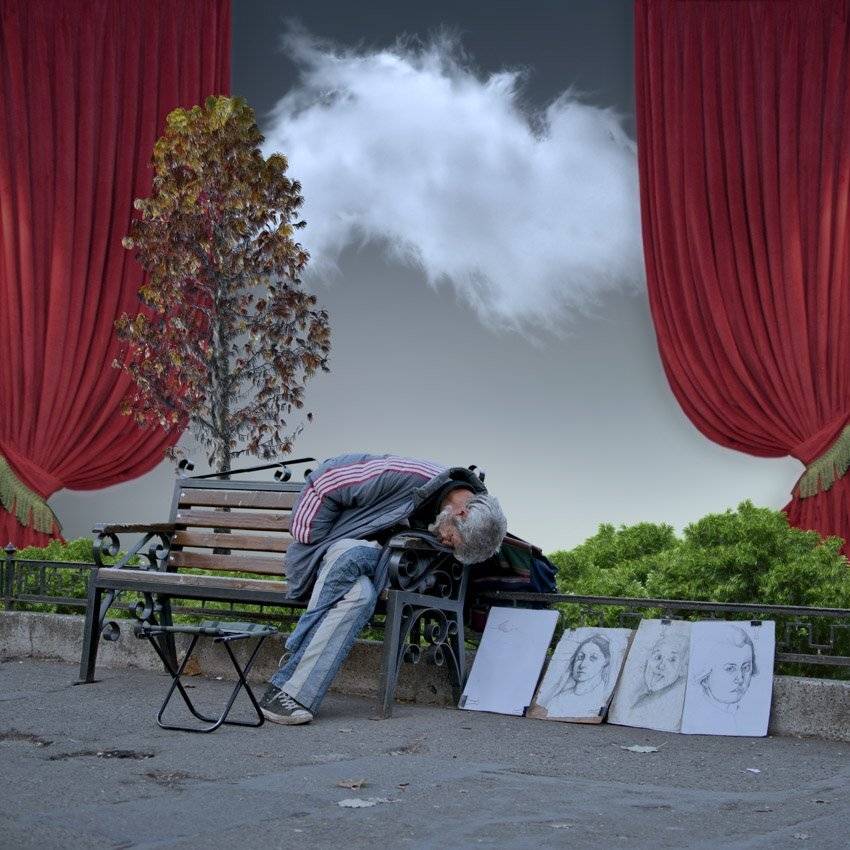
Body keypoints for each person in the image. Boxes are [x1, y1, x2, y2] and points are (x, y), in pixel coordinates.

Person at [258, 452, 508, 725]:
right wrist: (313, 537)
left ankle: (288, 693)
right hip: (327, 551)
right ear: (462, 512)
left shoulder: (463, 516)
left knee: (360, 596)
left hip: (373, 570)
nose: (447, 545)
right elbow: (327, 478)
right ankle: (293, 662)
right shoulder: (411, 476)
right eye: (453, 541)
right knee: (349, 552)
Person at [538, 634, 612, 716]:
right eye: (580, 657)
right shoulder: (558, 700)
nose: (583, 665)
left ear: (605, 662)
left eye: (593, 658)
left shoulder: (601, 699)